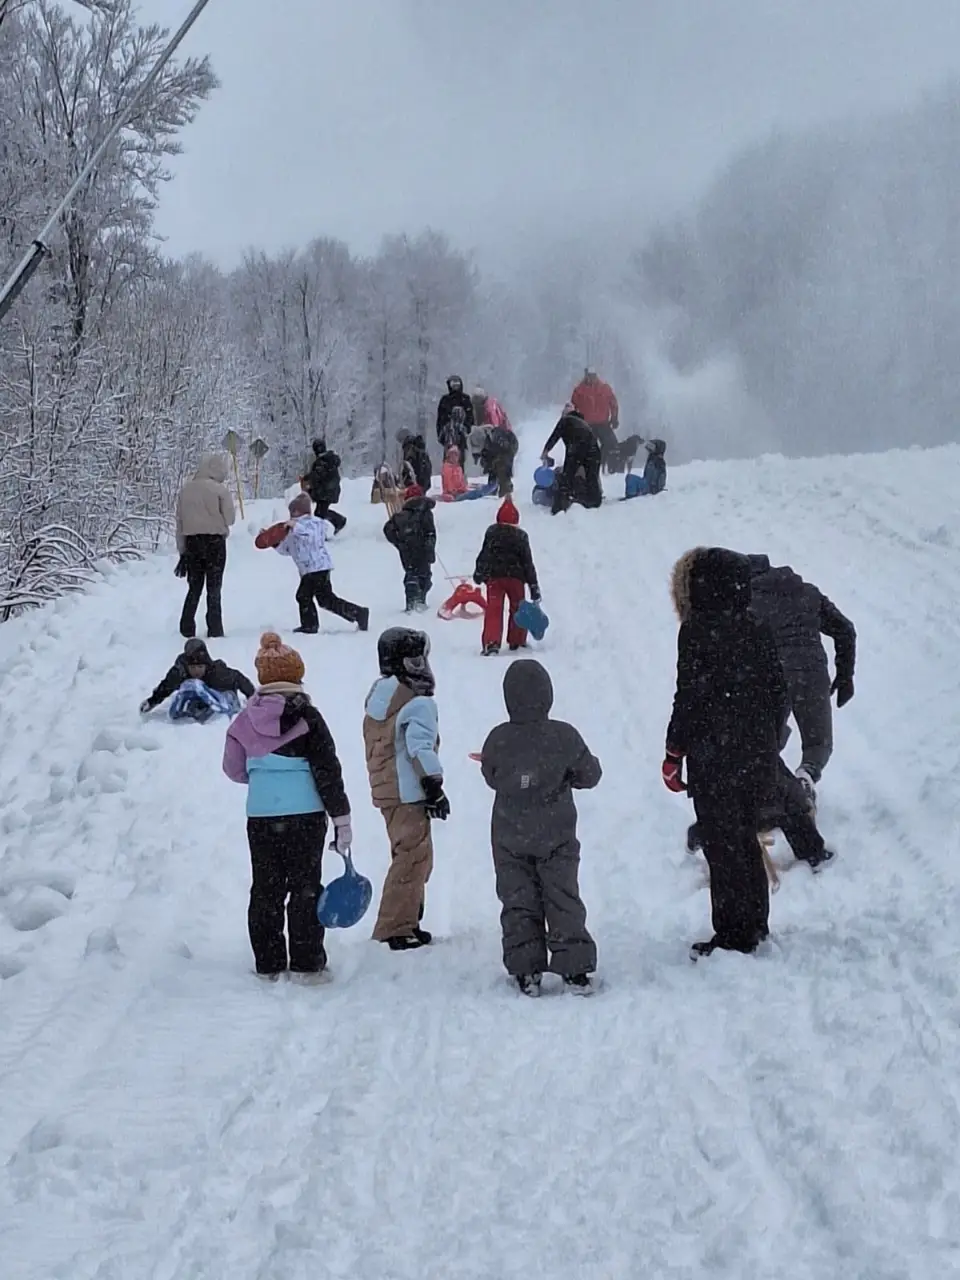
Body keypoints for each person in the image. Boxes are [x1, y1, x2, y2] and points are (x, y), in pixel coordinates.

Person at [662, 547, 833, 961]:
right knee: (745, 840)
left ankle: (732, 933)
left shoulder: (696, 631)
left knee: (723, 847)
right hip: (754, 755)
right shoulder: (756, 626)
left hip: (713, 757)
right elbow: (777, 690)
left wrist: (673, 751)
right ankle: (756, 925)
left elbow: (689, 697)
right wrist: (767, 739)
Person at [222, 632, 353, 982]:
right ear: (296, 676)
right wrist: (341, 819)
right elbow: (327, 770)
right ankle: (307, 962)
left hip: (262, 816)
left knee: (265, 887)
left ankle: (268, 962)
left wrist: (264, 779)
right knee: (306, 885)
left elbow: (233, 769)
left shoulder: (243, 721)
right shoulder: (308, 717)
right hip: (306, 815)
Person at [480, 660, 601, 996]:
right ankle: (574, 966)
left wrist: (519, 777)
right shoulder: (564, 736)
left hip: (509, 835)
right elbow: (590, 775)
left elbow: (491, 775)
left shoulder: (498, 738)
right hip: (556, 834)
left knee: (518, 900)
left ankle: (526, 969)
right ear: (548, 694)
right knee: (562, 897)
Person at [746, 555, 856, 807]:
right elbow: (844, 629)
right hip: (811, 670)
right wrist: (845, 674)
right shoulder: (808, 593)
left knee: (765, 739)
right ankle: (806, 775)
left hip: (773, 675)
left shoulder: (749, 601)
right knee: (818, 741)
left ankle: (767, 789)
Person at [363, 628, 449, 950]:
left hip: (388, 791)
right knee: (412, 859)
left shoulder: (381, 698)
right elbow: (419, 747)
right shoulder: (417, 702)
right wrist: (433, 786)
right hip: (409, 792)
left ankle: (408, 920)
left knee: (410, 855)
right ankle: (395, 928)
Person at [257, 493, 368, 635]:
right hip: (309, 571)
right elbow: (287, 550)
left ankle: (310, 625)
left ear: (299, 511)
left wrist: (296, 526)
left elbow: (312, 535)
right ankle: (358, 613)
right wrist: (273, 541)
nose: (291, 515)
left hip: (318, 568)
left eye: (293, 512)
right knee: (326, 600)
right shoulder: (290, 530)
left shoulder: (315, 523)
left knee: (303, 596)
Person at [175, 453, 236, 639]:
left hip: (192, 543)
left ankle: (186, 626)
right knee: (214, 588)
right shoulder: (220, 490)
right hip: (215, 543)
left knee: (194, 587)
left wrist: (182, 550)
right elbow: (230, 519)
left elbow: (179, 523)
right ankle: (215, 628)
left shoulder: (185, 490)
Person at [473, 497, 541, 655]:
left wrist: (479, 573)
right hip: (516, 578)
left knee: (494, 610)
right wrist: (533, 586)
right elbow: (527, 563)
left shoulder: (492, 533)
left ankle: (491, 642)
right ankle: (517, 640)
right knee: (518, 608)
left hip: (494, 578)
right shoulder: (521, 536)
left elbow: (485, 555)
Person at [140, 638, 254, 721]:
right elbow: (166, 686)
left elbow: (239, 678)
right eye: (193, 667)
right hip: (197, 699)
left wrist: (252, 698)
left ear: (206, 665)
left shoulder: (217, 673)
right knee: (191, 686)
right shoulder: (180, 673)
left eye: (200, 667)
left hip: (221, 697)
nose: (196, 671)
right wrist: (152, 701)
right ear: (187, 666)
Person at [383, 483, 437, 612]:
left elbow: (387, 529)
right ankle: (420, 599)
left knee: (411, 573)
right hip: (423, 550)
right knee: (424, 575)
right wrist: (430, 548)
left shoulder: (401, 515)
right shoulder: (426, 513)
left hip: (407, 549)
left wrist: (398, 542)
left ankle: (412, 601)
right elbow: (430, 532)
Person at [540, 406, 602, 513]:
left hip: (576, 448)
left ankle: (559, 507)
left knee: (566, 479)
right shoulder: (584, 424)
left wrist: (545, 452)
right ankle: (594, 501)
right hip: (594, 451)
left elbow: (555, 436)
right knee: (592, 478)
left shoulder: (565, 420)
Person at [571, 368, 619, 471]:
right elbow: (573, 406)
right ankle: (585, 468)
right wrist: (574, 422)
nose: (591, 378)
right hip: (586, 425)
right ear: (586, 376)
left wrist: (614, 418)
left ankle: (611, 469)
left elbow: (613, 404)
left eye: (593, 376)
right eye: (589, 376)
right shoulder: (579, 390)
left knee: (613, 446)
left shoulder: (604, 388)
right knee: (584, 449)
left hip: (603, 423)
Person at [436, 376, 474, 465]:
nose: (455, 387)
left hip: (461, 435)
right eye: (453, 384)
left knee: (459, 460)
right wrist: (442, 433)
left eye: (457, 384)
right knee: (448, 460)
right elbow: (440, 419)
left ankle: (459, 473)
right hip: (448, 434)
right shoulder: (445, 400)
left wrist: (466, 429)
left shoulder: (465, 399)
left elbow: (470, 417)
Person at [478, 422, 519, 497]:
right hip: (501, 459)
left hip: (503, 459)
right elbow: (487, 450)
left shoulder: (497, 434)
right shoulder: (491, 436)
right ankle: (496, 490)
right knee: (497, 474)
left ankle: (504, 492)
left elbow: (503, 447)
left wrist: (495, 458)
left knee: (502, 474)